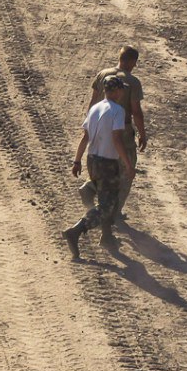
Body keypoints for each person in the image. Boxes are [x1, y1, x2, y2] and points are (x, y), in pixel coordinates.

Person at [63, 76, 135, 259]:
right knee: (107, 206)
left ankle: (106, 235)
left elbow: (85, 137)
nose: (122, 92)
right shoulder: (117, 110)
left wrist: (77, 161)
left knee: (106, 197)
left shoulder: (94, 108)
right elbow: (117, 139)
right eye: (121, 89)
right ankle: (76, 231)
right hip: (107, 163)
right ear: (116, 91)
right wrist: (128, 164)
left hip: (92, 160)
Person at [80, 46, 147, 217]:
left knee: (104, 162)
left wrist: (90, 124)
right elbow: (136, 112)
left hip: (100, 125)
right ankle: (114, 212)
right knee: (125, 169)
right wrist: (142, 134)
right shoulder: (132, 82)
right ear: (132, 61)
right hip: (121, 129)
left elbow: (92, 102)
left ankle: (91, 186)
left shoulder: (102, 74)